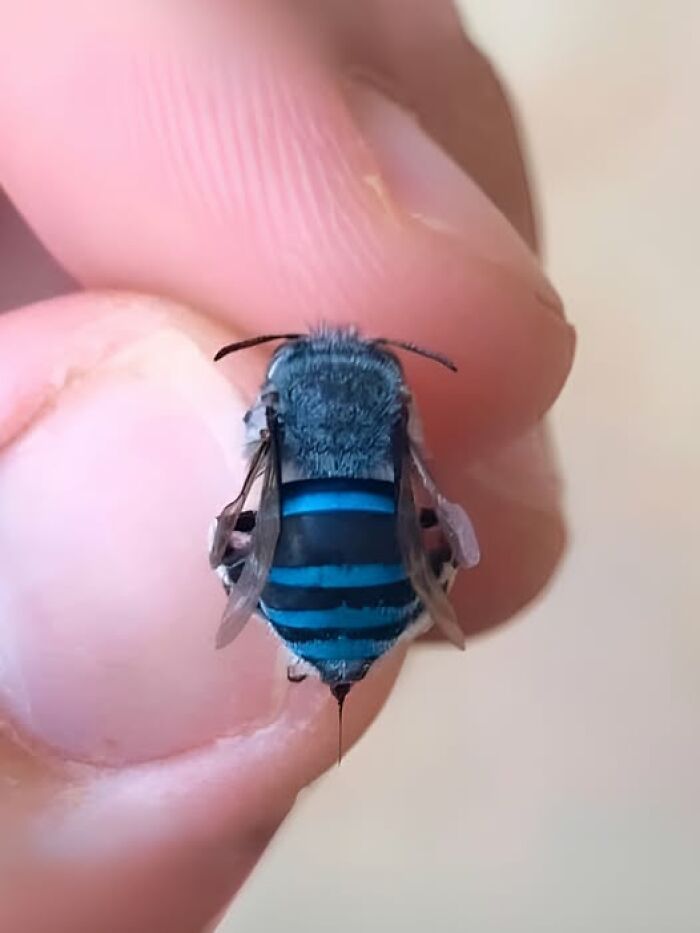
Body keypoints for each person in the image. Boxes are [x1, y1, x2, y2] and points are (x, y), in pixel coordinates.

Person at [0, 1, 574, 930]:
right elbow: (427, 497)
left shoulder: (272, 415)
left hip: (318, 576)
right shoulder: (386, 412)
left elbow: (259, 457)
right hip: (350, 577)